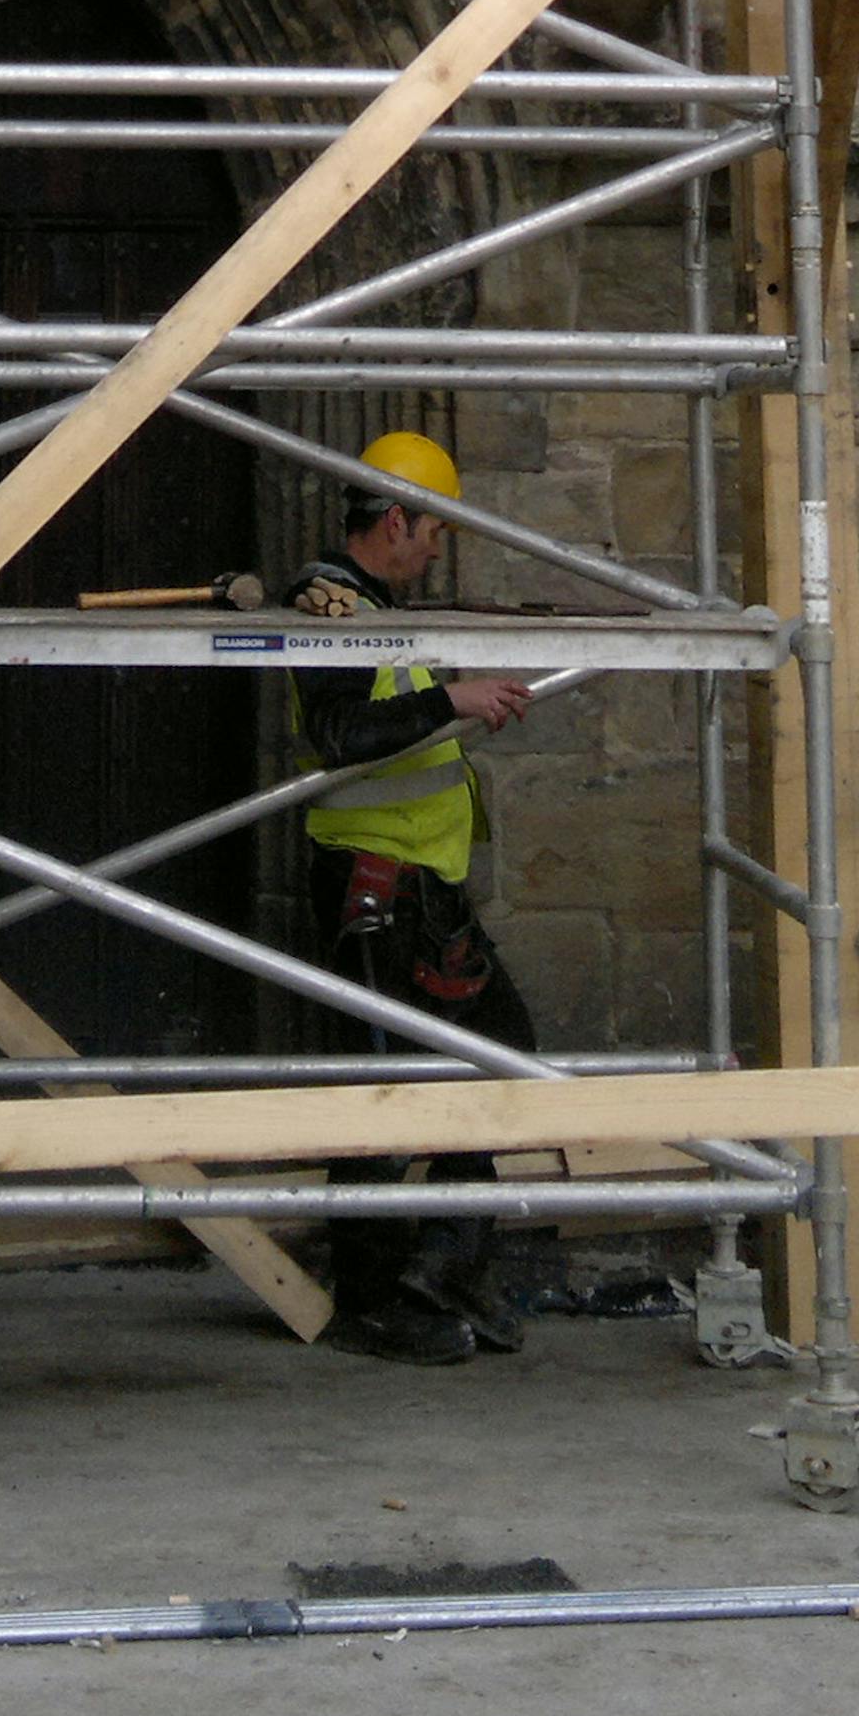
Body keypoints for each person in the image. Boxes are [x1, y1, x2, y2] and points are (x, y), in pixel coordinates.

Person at [288, 427, 541, 1361]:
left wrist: (456, 699)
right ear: (395, 518)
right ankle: (371, 1298)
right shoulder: (327, 606)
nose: (437, 548)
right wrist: (452, 701)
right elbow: (343, 729)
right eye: (433, 529)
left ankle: (445, 1264)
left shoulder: (380, 607)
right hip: (371, 882)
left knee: (499, 1051)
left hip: (422, 886)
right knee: (379, 1087)